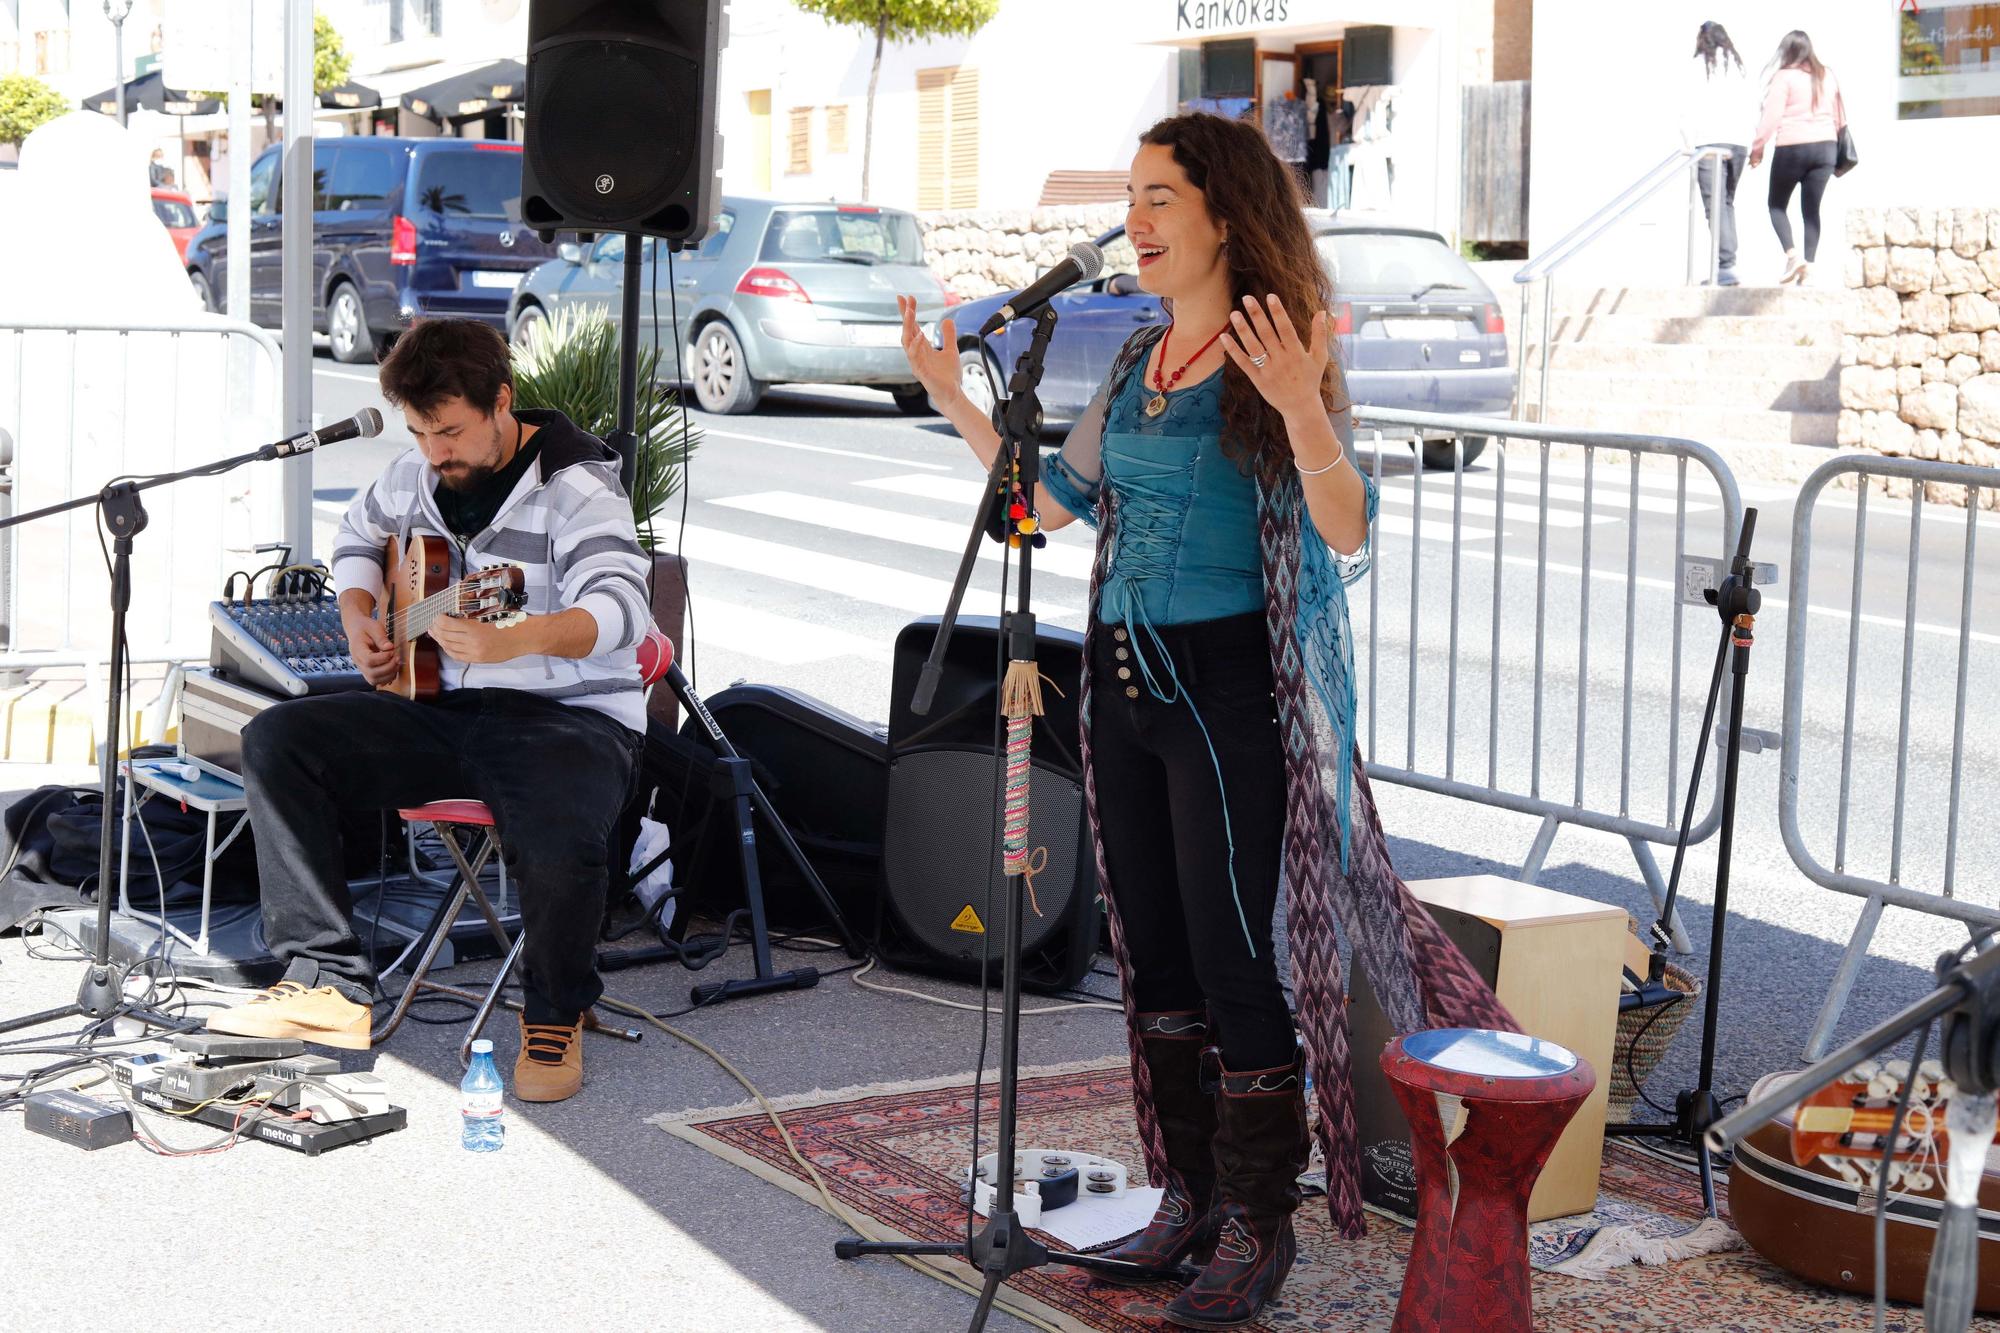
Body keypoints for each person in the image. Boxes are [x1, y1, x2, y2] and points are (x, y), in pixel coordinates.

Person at [897, 112, 1512, 1328]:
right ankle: (1184, 1194)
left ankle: (1256, 1219)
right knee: (1155, 959)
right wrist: (947, 397)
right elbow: (1040, 510)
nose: (1135, 217)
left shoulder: (1275, 353)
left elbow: (1347, 529)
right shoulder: (1135, 360)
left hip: (1225, 693)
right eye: (1130, 194)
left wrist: (1301, 407)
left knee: (1234, 960)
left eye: (1159, 196)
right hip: (1120, 688)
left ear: (1225, 216)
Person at [206, 318, 653, 1105]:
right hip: (444, 704)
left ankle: (555, 1010)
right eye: (419, 432)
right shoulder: (416, 475)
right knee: (278, 741)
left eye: (450, 431)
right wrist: (358, 615)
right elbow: (356, 534)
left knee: (558, 821)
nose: (435, 452)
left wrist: (518, 642)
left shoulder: (580, 484)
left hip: (571, 716)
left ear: (502, 401)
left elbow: (621, 610)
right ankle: (328, 982)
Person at [1752, 29, 1846, 285]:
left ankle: (1793, 256)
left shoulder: (1784, 77)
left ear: (1786, 51)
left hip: (1792, 147)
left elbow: (1771, 118)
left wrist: (1757, 148)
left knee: (1776, 205)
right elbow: (1839, 117)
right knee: (1811, 210)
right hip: (1826, 147)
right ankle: (1811, 268)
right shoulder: (1827, 75)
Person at [1683, 20, 1751, 287]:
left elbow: (1686, 109)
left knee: (1715, 207)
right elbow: (1752, 103)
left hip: (1709, 144)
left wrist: (1688, 144)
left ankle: (1726, 266)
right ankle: (1728, 264)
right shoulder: (1738, 65)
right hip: (1738, 144)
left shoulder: (1698, 65)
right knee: (1727, 203)